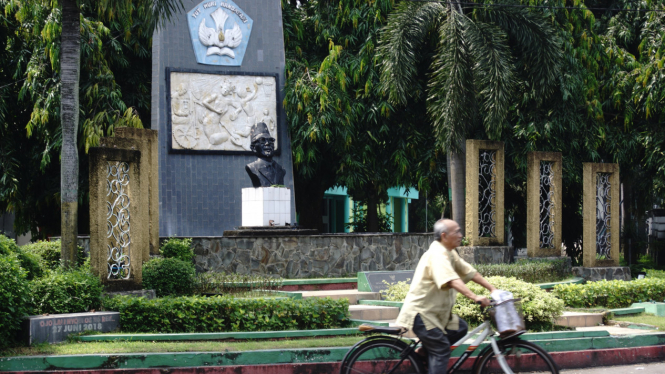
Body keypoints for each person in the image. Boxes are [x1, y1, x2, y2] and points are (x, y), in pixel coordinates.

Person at [395, 218, 497, 373]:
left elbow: (469, 272)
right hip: (422, 315)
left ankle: (425, 352)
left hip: (437, 316)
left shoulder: (450, 252)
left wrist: (492, 289)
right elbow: (451, 280)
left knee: (461, 327)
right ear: (444, 235)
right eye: (456, 232)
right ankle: (431, 353)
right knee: (441, 350)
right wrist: (475, 297)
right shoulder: (438, 254)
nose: (460, 235)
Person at [245, 122, 286, 187]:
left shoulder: (281, 169)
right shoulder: (252, 168)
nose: (267, 143)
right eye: (262, 140)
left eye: (270, 140)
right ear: (253, 148)